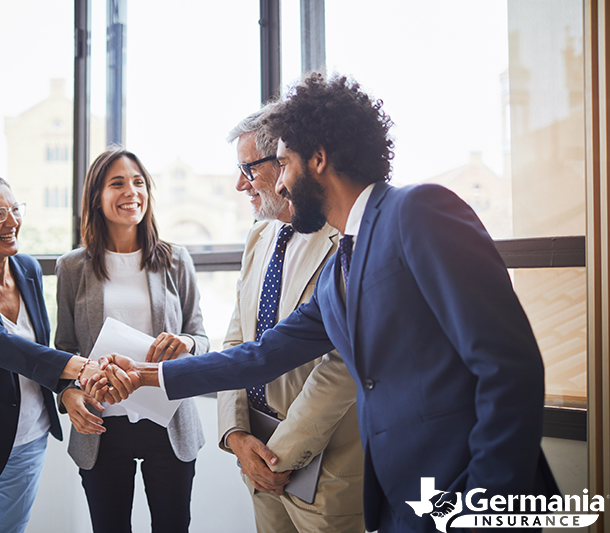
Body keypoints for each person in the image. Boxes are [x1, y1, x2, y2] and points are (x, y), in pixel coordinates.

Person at [100, 73, 560, 533]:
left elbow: (509, 369)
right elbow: (263, 355)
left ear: (318, 159)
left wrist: (485, 503)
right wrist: (147, 376)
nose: (279, 186)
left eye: (283, 164)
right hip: (404, 503)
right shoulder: (343, 262)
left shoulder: (418, 211)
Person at [0, 175, 131, 533]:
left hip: (29, 436)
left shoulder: (28, 269)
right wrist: (78, 367)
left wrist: (66, 389)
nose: (13, 222)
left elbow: (36, 350)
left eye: (15, 210)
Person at [219, 106, 364, 532]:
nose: (240, 184)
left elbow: (342, 367)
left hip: (325, 466)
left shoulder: (344, 240)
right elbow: (236, 342)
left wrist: (279, 454)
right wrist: (235, 435)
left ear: (286, 161)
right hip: (255, 451)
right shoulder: (259, 235)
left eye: (249, 168)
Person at [55, 147, 208, 533]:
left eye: (139, 182)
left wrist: (187, 344)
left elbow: (202, 337)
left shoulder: (176, 259)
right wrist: (68, 393)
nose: (131, 192)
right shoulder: (73, 266)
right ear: (97, 196)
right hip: (102, 424)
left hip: (168, 420)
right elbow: (63, 350)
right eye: (118, 183)